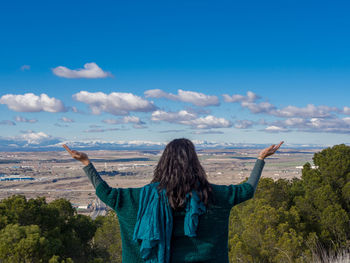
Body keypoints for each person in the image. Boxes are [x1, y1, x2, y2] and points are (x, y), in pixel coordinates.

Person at [63, 139, 283, 263]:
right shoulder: (213, 196)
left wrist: (86, 162)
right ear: (195, 163)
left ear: (163, 163)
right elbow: (247, 190)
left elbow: (107, 194)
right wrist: (260, 159)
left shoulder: (141, 197)